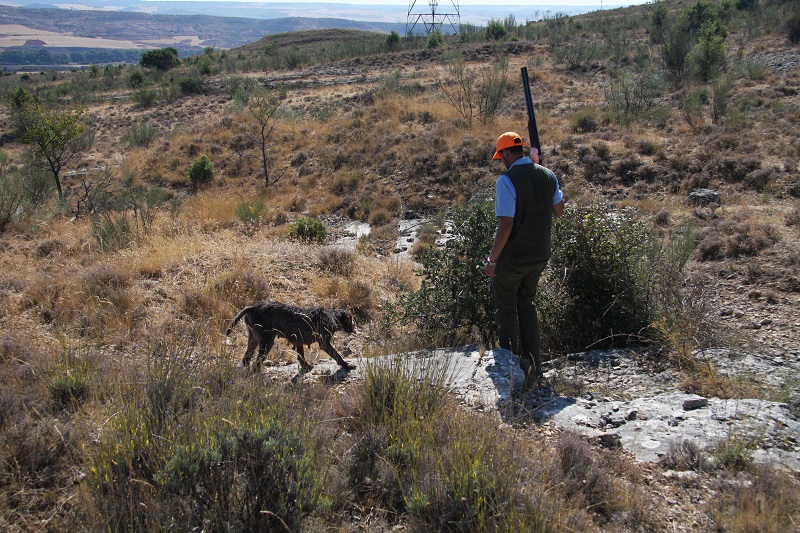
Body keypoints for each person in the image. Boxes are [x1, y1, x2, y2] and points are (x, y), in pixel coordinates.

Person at [483, 131, 564, 389]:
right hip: (540, 255)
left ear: (506, 153)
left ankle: (514, 370)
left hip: (514, 258)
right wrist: (544, 178)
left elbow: (505, 225)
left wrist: (492, 260)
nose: (501, 162)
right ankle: (535, 366)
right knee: (526, 304)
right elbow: (559, 211)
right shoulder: (547, 175)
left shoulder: (506, 180)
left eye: (501, 157)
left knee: (506, 308)